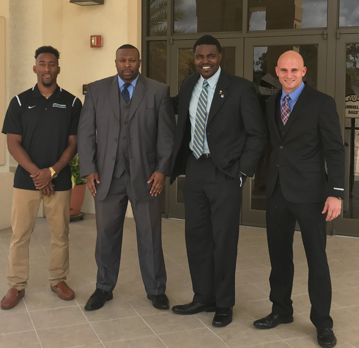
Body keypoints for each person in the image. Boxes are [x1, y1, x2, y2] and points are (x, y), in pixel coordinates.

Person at [170, 35, 267, 327]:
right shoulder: (189, 84)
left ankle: (224, 304)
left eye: (210, 56)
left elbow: (257, 135)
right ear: (194, 58)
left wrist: (241, 172)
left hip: (225, 173)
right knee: (196, 238)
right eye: (200, 57)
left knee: (223, 241)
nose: (205, 62)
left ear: (220, 57)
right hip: (195, 170)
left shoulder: (239, 88)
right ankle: (203, 297)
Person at [253, 51, 344, 348]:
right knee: (279, 258)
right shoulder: (270, 103)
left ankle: (323, 322)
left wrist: (336, 193)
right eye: (283, 70)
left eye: (294, 70)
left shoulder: (322, 103)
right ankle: (281, 310)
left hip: (312, 194)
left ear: (303, 70)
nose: (289, 75)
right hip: (278, 191)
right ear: (276, 72)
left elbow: (334, 149)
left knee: (317, 259)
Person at [78, 44, 175, 311]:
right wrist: (88, 169)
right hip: (107, 177)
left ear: (140, 61)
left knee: (150, 235)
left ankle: (156, 289)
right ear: (116, 62)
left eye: (132, 60)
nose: (127, 65)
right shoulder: (97, 90)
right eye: (122, 60)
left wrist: (162, 170)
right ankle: (104, 287)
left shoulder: (158, 91)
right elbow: (86, 132)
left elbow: (167, 136)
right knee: (106, 235)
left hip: (147, 177)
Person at [1, 46, 82, 309]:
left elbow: (73, 144)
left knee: (60, 234)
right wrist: (38, 173)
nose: (47, 68)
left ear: (59, 68)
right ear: (34, 67)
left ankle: (58, 280)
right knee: (20, 235)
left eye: (52, 64)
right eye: (42, 63)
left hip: (57, 181)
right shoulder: (20, 101)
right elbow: (13, 143)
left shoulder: (71, 103)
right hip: (27, 181)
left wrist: (52, 172)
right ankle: (16, 285)